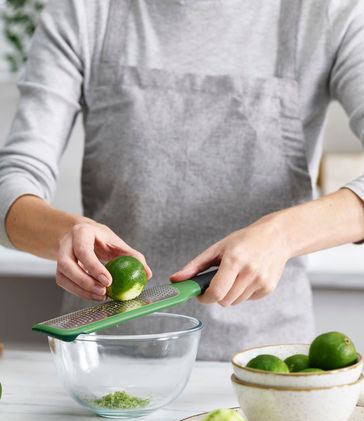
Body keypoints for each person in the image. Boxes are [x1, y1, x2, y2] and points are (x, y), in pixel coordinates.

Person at [1, 0, 364, 361]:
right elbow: (12, 181)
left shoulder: (328, 12)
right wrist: (65, 233)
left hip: (265, 372)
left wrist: (283, 235)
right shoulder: (85, 11)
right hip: (104, 362)